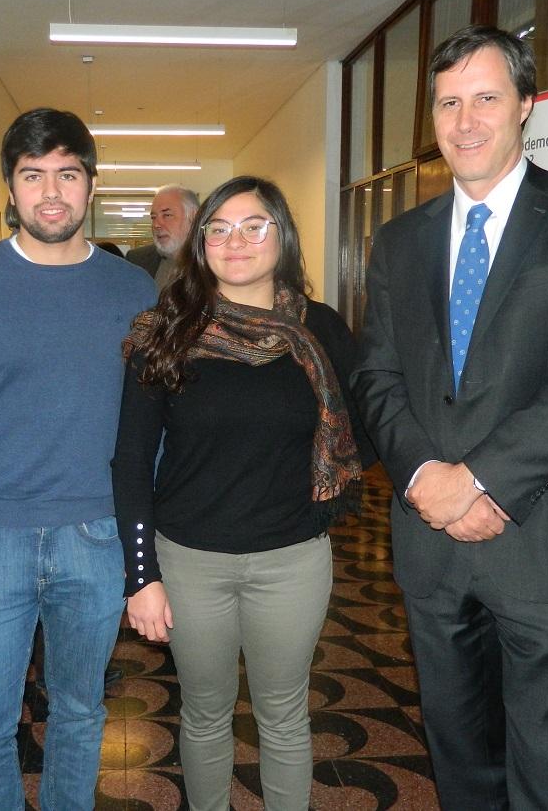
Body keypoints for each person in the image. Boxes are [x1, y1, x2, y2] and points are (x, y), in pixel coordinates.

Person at [352, 25, 548, 810]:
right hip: (433, 552)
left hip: (546, 548)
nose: (465, 119)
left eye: (485, 97)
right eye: (449, 102)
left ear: (526, 105)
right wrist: (424, 480)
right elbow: (376, 376)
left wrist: (477, 483)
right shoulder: (399, 241)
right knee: (461, 767)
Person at [0, 108, 155, 809]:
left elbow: (149, 429)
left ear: (92, 184)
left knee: (80, 715)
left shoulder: (133, 291)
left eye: (67, 174)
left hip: (97, 541)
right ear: (11, 190)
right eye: (33, 175)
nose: (52, 193)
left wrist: (145, 553)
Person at [114, 175, 373, 810]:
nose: (237, 242)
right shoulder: (165, 332)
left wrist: (318, 488)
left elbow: (366, 425)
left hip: (291, 561)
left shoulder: (321, 331)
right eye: (219, 229)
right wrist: (141, 575)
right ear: (200, 244)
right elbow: (130, 462)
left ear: (281, 236)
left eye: (254, 225)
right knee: (204, 713)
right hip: (190, 563)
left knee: (284, 715)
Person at [125, 184, 199, 288]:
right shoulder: (136, 260)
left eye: (167, 215)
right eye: (153, 217)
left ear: (193, 216)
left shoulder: (213, 262)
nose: (156, 225)